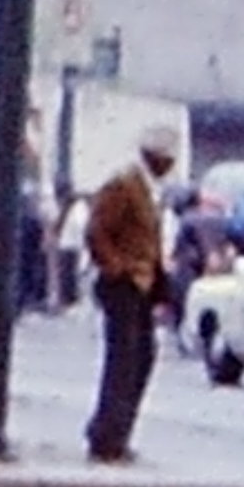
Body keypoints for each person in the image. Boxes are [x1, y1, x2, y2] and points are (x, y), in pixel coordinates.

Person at [81, 120, 180, 465]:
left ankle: (114, 431)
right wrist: (116, 267)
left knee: (139, 359)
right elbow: (96, 231)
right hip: (124, 283)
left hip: (143, 283)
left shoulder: (149, 188)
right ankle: (108, 436)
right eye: (166, 158)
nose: (171, 164)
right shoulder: (125, 185)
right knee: (124, 361)